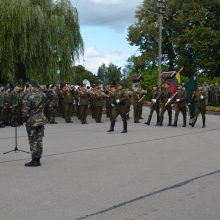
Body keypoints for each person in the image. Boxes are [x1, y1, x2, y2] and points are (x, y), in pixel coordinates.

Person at [22, 80, 47, 167]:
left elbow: (25, 111)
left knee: (33, 140)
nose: (29, 87)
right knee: (39, 140)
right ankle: (38, 159)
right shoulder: (43, 94)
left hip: (32, 121)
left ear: (32, 86)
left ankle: (34, 160)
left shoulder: (28, 95)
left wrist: (23, 119)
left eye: (29, 86)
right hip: (41, 120)